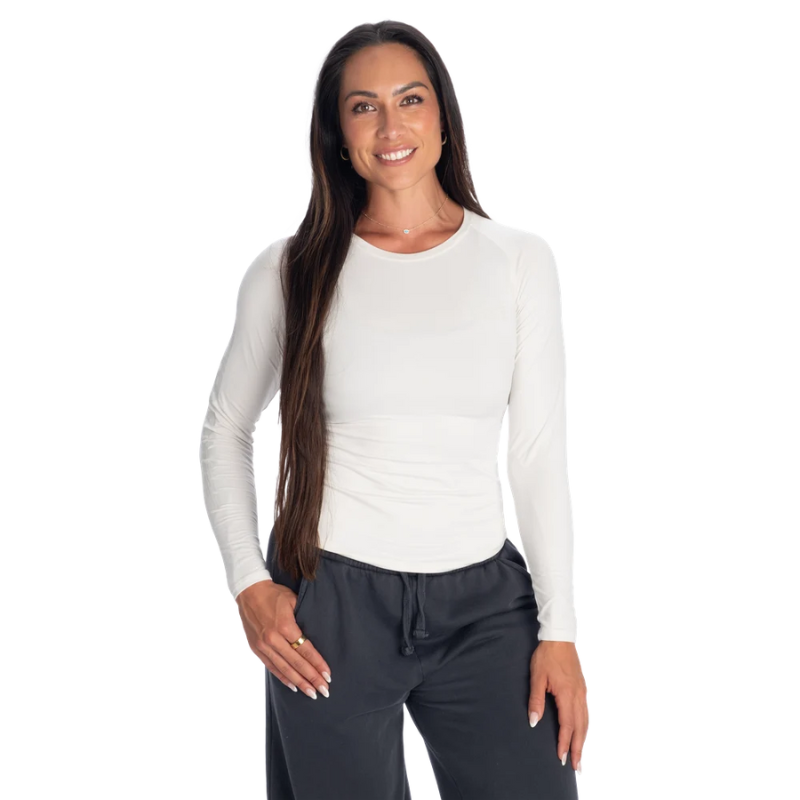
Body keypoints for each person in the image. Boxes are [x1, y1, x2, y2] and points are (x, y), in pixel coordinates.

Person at [200, 20, 588, 800]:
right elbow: (225, 430)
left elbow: (537, 455)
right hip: (332, 608)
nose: (390, 126)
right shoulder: (292, 269)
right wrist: (249, 584)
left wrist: (560, 631)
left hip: (486, 608)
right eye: (363, 107)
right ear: (339, 136)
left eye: (410, 100)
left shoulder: (517, 261)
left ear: (442, 116)